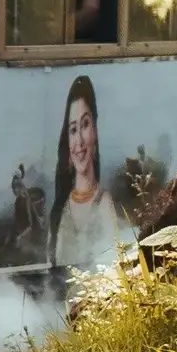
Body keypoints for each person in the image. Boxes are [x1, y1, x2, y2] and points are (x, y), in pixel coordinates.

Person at [47, 74, 135, 271]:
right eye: (72, 129)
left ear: (94, 130)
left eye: (85, 125)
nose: (79, 141)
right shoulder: (59, 210)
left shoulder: (105, 204)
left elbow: (115, 270)